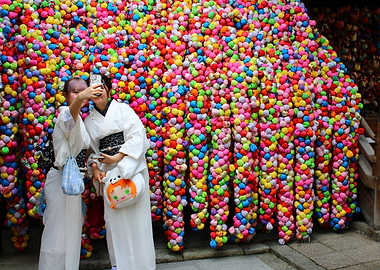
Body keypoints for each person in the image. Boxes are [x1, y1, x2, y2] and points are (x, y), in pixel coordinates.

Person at [85, 74, 156, 270]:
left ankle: (143, 265)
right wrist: (95, 167)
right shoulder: (88, 121)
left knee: (137, 223)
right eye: (93, 89)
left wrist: (118, 158)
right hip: (109, 175)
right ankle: (120, 265)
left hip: (130, 169)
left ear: (108, 89)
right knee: (116, 225)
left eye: (101, 87)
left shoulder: (124, 110)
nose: (98, 91)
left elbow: (137, 137)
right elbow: (90, 151)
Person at [38, 77, 102, 270]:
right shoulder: (66, 113)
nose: (80, 94)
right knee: (56, 233)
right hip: (60, 181)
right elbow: (70, 117)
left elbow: (89, 149)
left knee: (72, 233)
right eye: (75, 91)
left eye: (83, 90)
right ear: (66, 95)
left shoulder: (82, 119)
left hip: (73, 181)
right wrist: (80, 99)